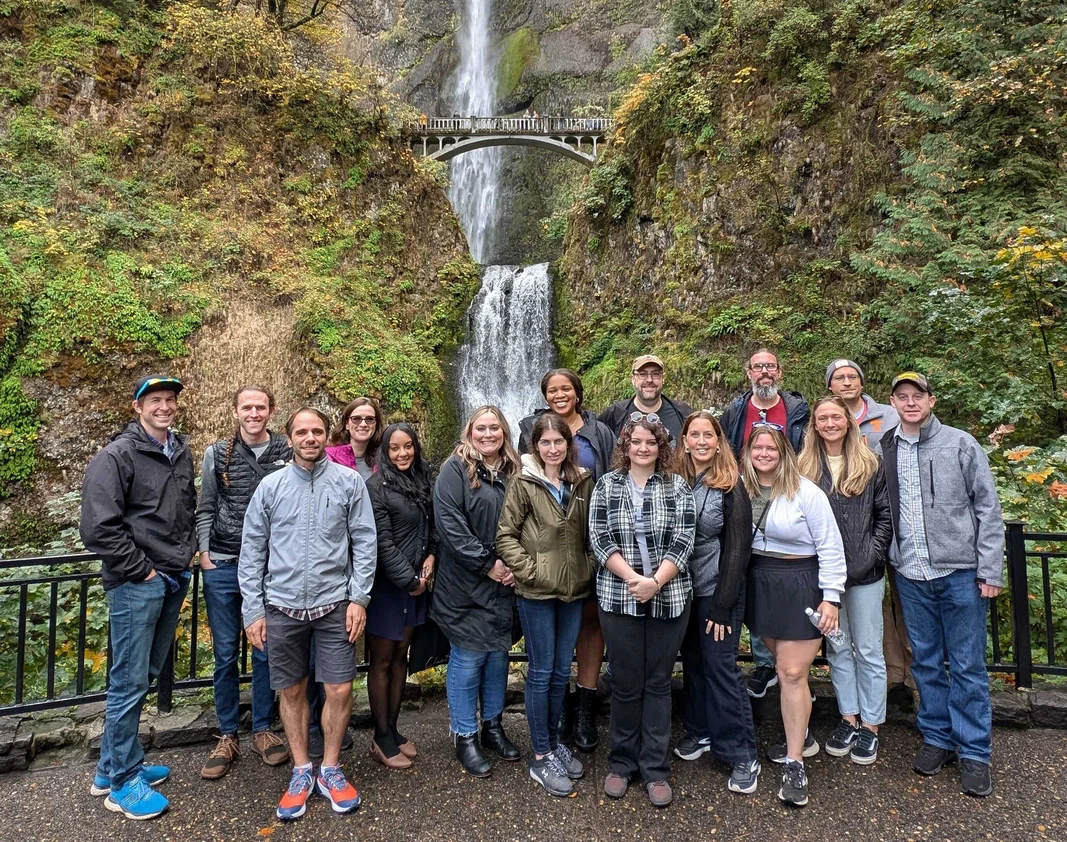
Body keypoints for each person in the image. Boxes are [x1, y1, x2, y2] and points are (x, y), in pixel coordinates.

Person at [240, 406, 377, 821]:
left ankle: (330, 767)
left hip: (335, 604)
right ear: (289, 437)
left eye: (317, 431)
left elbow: (365, 542)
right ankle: (302, 769)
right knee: (293, 691)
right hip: (281, 606)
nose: (311, 438)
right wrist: (252, 610)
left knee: (339, 690)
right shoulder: (271, 486)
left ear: (325, 435)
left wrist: (359, 599)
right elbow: (252, 552)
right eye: (302, 432)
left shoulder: (350, 482)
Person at [880, 372, 1004, 798]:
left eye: (918, 396)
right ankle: (937, 737)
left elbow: (988, 508)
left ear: (931, 400)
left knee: (968, 665)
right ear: (892, 403)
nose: (910, 403)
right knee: (927, 662)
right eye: (902, 397)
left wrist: (990, 570)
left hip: (960, 572)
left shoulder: (960, 443)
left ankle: (974, 750)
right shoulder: (886, 447)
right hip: (911, 573)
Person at [80, 374, 196, 820]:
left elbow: (182, 509)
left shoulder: (178, 451)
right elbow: (97, 527)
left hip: (171, 576)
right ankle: (125, 783)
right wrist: (142, 571)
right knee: (129, 682)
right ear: (137, 407)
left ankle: (109, 769)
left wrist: (186, 555)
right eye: (155, 401)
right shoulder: (117, 456)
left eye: (169, 400)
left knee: (142, 674)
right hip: (138, 583)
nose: (164, 406)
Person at [589, 419, 695, 808]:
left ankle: (655, 769)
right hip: (619, 595)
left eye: (651, 442)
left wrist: (657, 581)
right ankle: (620, 764)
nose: (644, 448)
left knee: (658, 681)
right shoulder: (607, 485)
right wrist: (636, 579)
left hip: (669, 597)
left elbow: (686, 538)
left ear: (661, 447)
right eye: (637, 442)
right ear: (626, 445)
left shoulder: (676, 485)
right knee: (625, 682)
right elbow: (599, 538)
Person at [741, 423, 846, 807]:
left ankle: (794, 761)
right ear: (749, 452)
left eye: (771, 448)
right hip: (759, 585)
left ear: (784, 452)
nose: (764, 454)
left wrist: (831, 597)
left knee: (791, 672)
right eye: (758, 448)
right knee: (785, 670)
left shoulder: (807, 491)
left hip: (801, 582)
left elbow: (831, 546)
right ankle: (801, 733)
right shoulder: (740, 487)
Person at [196, 385, 291, 780]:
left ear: (271, 411)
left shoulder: (286, 450)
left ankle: (264, 729)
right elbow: (205, 506)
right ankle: (228, 733)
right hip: (223, 561)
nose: (253, 413)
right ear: (235, 411)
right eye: (246, 407)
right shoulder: (216, 454)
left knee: (265, 648)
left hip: (270, 566)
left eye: (260, 407)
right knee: (224, 653)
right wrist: (204, 554)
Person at [496, 414, 594, 797]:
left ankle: (554, 743)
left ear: (568, 444)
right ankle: (540, 756)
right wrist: (530, 571)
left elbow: (591, 532)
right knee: (539, 671)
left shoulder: (582, 480)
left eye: (559, 441)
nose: (553, 448)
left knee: (558, 672)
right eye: (546, 442)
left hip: (573, 591)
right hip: (537, 592)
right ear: (535, 446)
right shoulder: (524, 482)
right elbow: (506, 536)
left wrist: (588, 568)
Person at [519, 368, 616, 750]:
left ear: (577, 392)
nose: (560, 395)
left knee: (591, 624)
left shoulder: (599, 431)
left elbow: (609, 478)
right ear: (545, 396)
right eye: (552, 390)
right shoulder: (531, 427)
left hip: (588, 545)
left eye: (567, 389)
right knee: (553, 635)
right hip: (546, 553)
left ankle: (584, 709)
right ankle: (557, 712)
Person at [798, 396, 892, 765]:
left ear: (848, 421)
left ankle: (871, 725)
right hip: (823, 575)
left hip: (865, 572)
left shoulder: (870, 463)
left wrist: (871, 554)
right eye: (823, 418)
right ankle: (848, 717)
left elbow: (885, 517)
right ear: (815, 425)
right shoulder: (804, 466)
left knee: (868, 649)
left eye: (836, 416)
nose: (830, 423)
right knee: (837, 647)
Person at [671, 411, 759, 795]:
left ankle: (741, 753)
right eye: (695, 435)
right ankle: (700, 730)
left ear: (719, 440)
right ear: (685, 440)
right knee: (693, 662)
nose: (702, 441)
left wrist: (723, 604)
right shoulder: (675, 481)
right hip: (680, 591)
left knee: (720, 665)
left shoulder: (730, 485)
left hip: (715, 591)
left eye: (709, 434)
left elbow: (739, 548)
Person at [432, 406, 523, 777]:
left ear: (504, 432)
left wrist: (517, 564)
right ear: (470, 432)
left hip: (506, 582)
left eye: (495, 428)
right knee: (469, 659)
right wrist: (489, 564)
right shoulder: (454, 469)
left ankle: (493, 727)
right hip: (466, 584)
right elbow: (450, 525)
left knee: (498, 658)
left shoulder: (514, 471)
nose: (488, 434)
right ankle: (464, 734)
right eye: (481, 428)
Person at [720, 348, 810, 699]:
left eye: (770, 366)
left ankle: (791, 664)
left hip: (788, 492)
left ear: (780, 371)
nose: (764, 373)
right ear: (749, 373)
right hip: (745, 495)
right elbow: (726, 449)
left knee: (781, 577)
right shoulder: (736, 409)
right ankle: (763, 663)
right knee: (750, 574)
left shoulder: (797, 410)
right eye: (758, 367)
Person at [825, 359, 914, 700]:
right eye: (839, 378)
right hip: (855, 536)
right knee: (872, 616)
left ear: (862, 383)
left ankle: (912, 679)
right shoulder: (826, 418)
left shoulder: (887, 416)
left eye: (852, 377)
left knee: (904, 604)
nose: (847, 382)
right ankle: (893, 679)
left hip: (894, 519)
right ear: (830, 385)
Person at [365, 423, 437, 770]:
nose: (402, 453)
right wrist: (408, 579)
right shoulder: (376, 486)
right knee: (382, 659)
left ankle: (393, 730)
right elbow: (382, 542)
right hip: (388, 587)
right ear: (385, 452)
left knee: (400, 658)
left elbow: (433, 527)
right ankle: (380, 737)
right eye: (395, 448)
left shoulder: (423, 478)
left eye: (408, 446)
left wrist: (431, 557)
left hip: (417, 583)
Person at [598, 354, 694, 443]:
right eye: (642, 374)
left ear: (663, 378)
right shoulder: (615, 415)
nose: (649, 380)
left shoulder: (683, 413)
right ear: (633, 379)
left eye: (655, 374)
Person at [325, 397, 383, 481]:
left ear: (376, 425)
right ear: (346, 424)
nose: (363, 424)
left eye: (370, 419)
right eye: (356, 419)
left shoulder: (383, 459)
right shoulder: (329, 458)